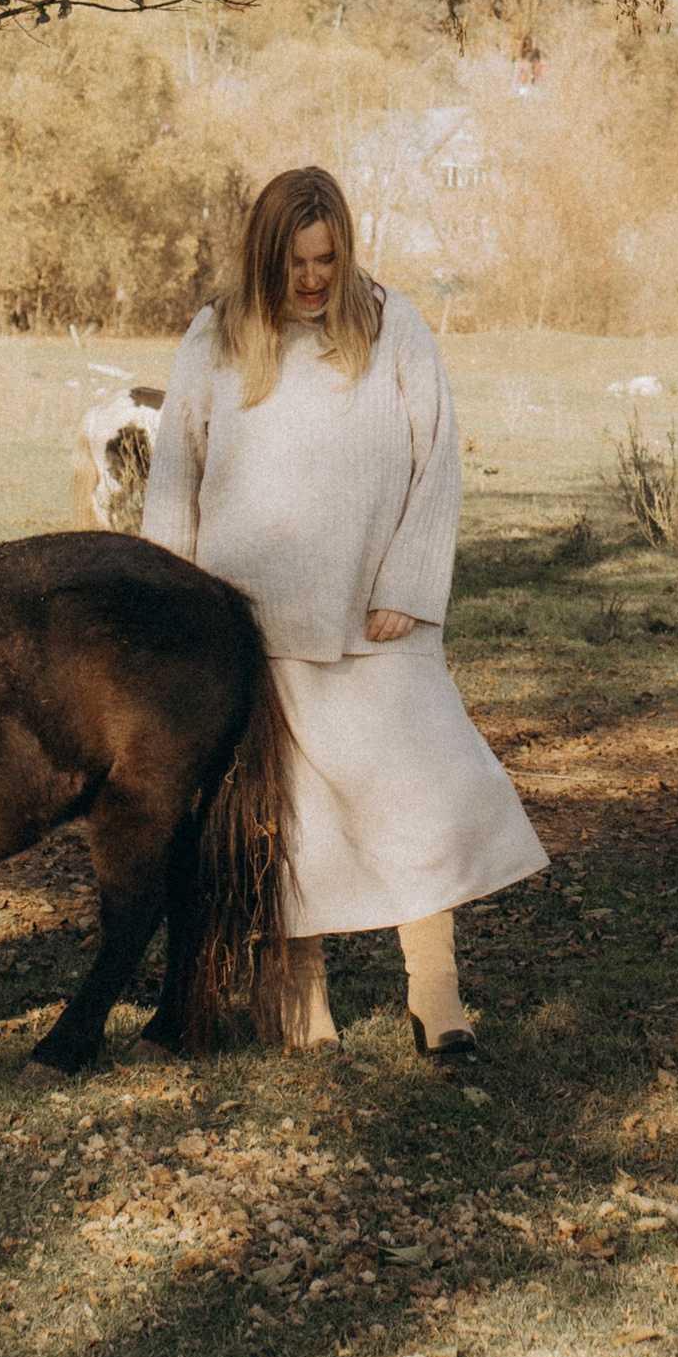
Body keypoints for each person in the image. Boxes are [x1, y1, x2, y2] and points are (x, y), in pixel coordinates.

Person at [141, 164, 546, 1052]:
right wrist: (171, 616)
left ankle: (435, 990)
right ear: (263, 260)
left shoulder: (391, 324)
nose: (314, 279)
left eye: (327, 258)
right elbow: (176, 474)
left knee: (420, 797)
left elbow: (436, 458)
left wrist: (408, 584)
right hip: (249, 624)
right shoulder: (215, 336)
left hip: (376, 619)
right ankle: (300, 991)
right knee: (286, 819)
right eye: (296, 263)